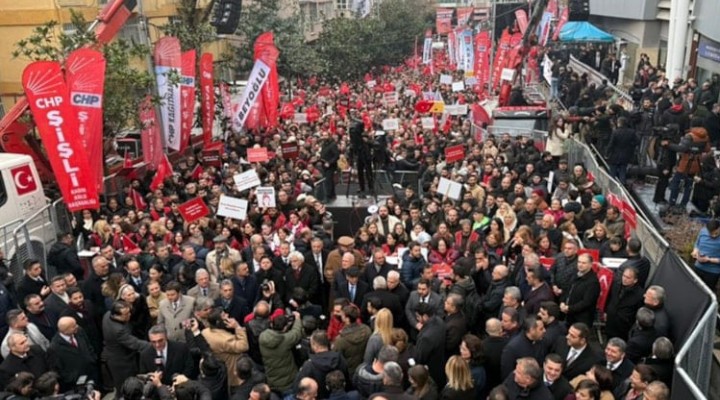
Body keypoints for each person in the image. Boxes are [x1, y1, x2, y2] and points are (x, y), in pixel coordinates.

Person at [102, 300, 150, 393]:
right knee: (126, 388)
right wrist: (153, 345)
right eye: (126, 314)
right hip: (122, 362)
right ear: (117, 315)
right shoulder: (118, 330)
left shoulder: (107, 315)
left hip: (113, 356)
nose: (129, 315)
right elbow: (135, 344)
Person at [46, 316, 98, 392]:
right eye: (73, 326)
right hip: (76, 384)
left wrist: (92, 359)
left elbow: (88, 346)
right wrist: (73, 378)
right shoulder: (54, 348)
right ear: (66, 331)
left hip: (91, 373)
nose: (77, 326)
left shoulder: (79, 331)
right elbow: (57, 370)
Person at [202, 307, 249, 389]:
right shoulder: (225, 340)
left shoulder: (205, 332)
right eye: (224, 315)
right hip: (233, 374)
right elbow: (243, 346)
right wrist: (237, 327)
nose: (227, 315)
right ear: (218, 322)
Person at [293, 331, 348, 399]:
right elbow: (346, 380)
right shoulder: (340, 359)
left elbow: (298, 389)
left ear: (315, 345)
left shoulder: (308, 366)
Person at [259, 311, 303, 394]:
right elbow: (296, 333)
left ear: (272, 325)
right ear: (285, 328)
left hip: (271, 379)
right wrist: (297, 319)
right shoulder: (286, 340)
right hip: (288, 382)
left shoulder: (262, 337)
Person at [560, 253, 600, 328]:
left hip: (581, 319)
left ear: (590, 264)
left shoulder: (593, 282)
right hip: (569, 315)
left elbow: (586, 302)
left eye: (584, 263)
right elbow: (567, 290)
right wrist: (562, 302)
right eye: (579, 262)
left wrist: (569, 308)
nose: (580, 265)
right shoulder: (575, 274)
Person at [500, 315, 547, 379]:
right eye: (541, 329)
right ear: (532, 330)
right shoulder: (512, 348)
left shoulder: (540, 340)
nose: (544, 331)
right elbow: (507, 374)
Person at [605, 266, 645, 341]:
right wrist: (606, 311)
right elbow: (609, 298)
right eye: (624, 276)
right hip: (610, 322)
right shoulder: (616, 284)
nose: (625, 279)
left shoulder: (639, 295)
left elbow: (638, 313)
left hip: (623, 327)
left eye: (628, 277)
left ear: (635, 280)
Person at [332, 304, 371, 374]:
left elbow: (335, 359)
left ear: (347, 318)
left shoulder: (340, 340)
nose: (341, 316)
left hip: (348, 372)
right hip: (363, 369)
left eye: (342, 315)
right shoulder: (367, 330)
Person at [605, 117, 639, 184]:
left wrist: (607, 154)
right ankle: (622, 186)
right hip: (626, 155)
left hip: (615, 155)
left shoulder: (615, 132)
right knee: (623, 171)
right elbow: (637, 141)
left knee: (612, 172)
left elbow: (611, 144)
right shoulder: (632, 132)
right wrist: (631, 145)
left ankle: (612, 186)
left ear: (619, 123)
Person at [691, 219, 720, 291]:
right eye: (711, 233)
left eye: (716, 233)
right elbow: (697, 244)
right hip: (698, 267)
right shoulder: (703, 231)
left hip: (712, 272)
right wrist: (695, 252)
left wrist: (709, 260)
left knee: (707, 292)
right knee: (694, 289)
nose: (713, 236)